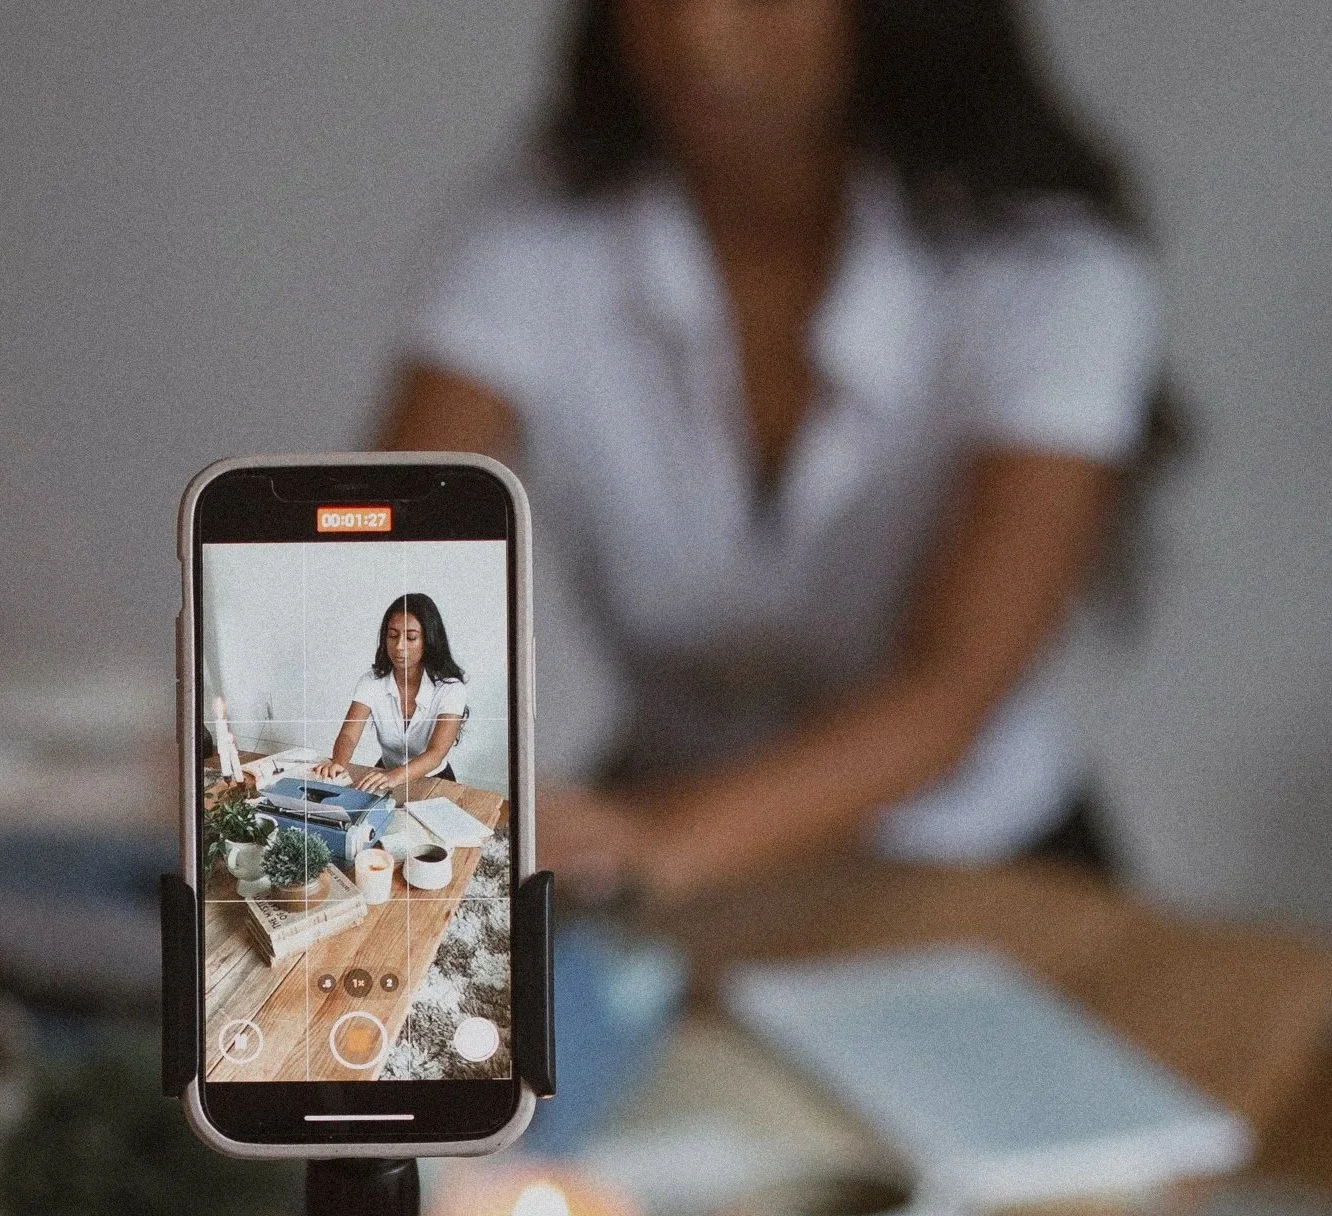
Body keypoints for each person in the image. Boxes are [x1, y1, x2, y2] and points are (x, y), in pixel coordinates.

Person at [382, 0, 1168, 896]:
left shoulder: (1055, 270)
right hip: (650, 823)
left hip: (970, 859)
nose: (697, 32)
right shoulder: (541, 226)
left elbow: (951, 686)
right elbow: (390, 548)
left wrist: (656, 843)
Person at [322, 592, 469, 798]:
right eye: (392, 635)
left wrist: (393, 777)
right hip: (386, 774)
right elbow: (348, 735)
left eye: (411, 638)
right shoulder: (371, 681)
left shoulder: (452, 688)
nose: (399, 646)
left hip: (434, 780)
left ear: (429, 640)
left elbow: (435, 754)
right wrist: (338, 762)